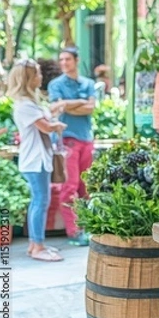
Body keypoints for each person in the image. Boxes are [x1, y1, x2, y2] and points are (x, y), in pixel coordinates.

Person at [7, 59, 67, 262]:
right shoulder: (25, 105)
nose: (41, 77)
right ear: (28, 78)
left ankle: (35, 244)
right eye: (38, 73)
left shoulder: (30, 102)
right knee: (41, 201)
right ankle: (38, 246)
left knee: (38, 201)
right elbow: (46, 127)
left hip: (38, 159)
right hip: (35, 161)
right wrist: (57, 125)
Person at [48, 47, 96, 246]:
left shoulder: (89, 83)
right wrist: (79, 103)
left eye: (67, 59)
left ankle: (86, 226)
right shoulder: (55, 84)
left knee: (86, 187)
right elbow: (55, 108)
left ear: (76, 60)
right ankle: (74, 231)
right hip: (67, 141)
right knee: (69, 187)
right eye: (61, 59)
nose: (64, 63)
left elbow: (91, 107)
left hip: (87, 139)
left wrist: (67, 104)